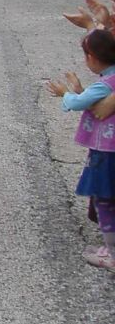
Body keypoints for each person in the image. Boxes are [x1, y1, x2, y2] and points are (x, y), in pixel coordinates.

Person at [47, 28, 115, 271]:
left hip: (106, 154)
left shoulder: (104, 84)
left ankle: (112, 253)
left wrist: (65, 94)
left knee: (104, 199)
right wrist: (78, 89)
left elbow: (79, 103)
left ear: (92, 57)